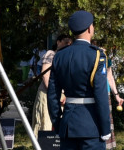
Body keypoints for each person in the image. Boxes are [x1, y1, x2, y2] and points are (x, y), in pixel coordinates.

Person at [47, 10, 113, 150]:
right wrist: (106, 128)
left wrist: (58, 123)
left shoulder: (60, 56)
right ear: (90, 28)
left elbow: (53, 94)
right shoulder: (96, 55)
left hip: (68, 126)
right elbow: (101, 95)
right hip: (91, 127)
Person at [34, 34, 73, 132]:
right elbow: (45, 75)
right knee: (45, 124)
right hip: (47, 94)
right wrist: (57, 94)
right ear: (58, 42)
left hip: (63, 97)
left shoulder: (68, 58)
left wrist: (67, 95)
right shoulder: (51, 54)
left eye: (70, 43)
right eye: (65, 42)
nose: (67, 44)